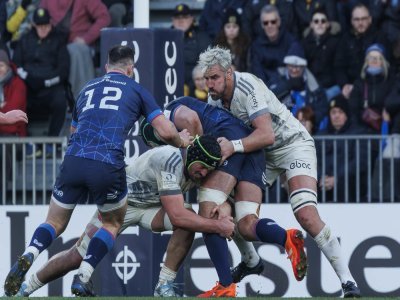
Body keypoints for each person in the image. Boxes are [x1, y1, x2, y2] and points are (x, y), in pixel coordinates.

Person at [3, 45, 191, 297]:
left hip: (73, 160)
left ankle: (29, 253)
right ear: (130, 68)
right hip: (106, 163)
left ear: (106, 68)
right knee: (112, 222)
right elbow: (166, 131)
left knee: (54, 222)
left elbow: (72, 133)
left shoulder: (87, 89)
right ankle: (84, 276)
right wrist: (181, 141)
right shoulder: (137, 89)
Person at [197, 45, 361, 297]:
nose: (209, 84)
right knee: (228, 212)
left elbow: (266, 134)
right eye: (206, 79)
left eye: (214, 78)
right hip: (259, 154)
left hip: (292, 144)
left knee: (305, 214)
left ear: (229, 73)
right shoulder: (214, 99)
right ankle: (250, 261)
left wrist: (233, 146)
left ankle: (349, 283)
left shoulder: (247, 86)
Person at [15, 135, 234, 297]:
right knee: (76, 256)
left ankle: (163, 287)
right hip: (121, 205)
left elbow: (219, 194)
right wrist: (218, 226)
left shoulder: (197, 163)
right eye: (202, 168)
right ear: (193, 156)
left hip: (151, 208)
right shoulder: (170, 159)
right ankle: (26, 287)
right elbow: (176, 216)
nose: (204, 174)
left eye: (208, 170)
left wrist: (225, 206)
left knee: (189, 220)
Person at [150, 96, 307, 297]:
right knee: (246, 223)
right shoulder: (205, 107)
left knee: (208, 216)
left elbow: (191, 120)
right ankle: (285, 237)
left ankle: (226, 285)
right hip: (252, 148)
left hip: (227, 143)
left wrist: (197, 149)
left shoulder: (169, 110)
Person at [13, 7, 70, 143]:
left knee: (60, 100)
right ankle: (23, 141)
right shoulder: (25, 40)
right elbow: (16, 64)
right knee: (16, 96)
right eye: (39, 25)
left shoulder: (59, 40)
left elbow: (63, 70)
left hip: (50, 86)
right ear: (33, 25)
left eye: (46, 25)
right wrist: (27, 78)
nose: (43, 28)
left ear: (51, 23)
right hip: (28, 85)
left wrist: (46, 82)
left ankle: (51, 141)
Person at [316, 96, 368, 202]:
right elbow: (313, 161)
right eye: (333, 112)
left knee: (345, 184)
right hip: (323, 183)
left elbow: (360, 162)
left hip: (348, 184)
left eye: (340, 112)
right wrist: (321, 176)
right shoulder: (320, 136)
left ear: (346, 115)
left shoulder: (358, 133)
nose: (336, 116)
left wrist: (337, 178)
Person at [170, 3, 211, 96]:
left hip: (196, 89)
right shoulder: (166, 38)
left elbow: (206, 65)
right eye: (177, 18)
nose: (180, 21)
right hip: (170, 86)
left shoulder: (201, 37)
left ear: (192, 19)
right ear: (172, 20)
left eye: (184, 17)